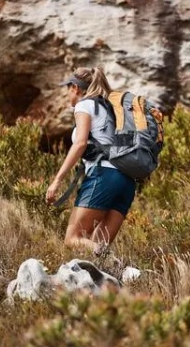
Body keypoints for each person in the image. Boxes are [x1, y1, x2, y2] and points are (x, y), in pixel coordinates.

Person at [45, 67, 136, 256]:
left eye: (68, 89)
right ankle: (123, 274)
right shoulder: (110, 108)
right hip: (127, 181)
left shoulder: (84, 105)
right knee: (96, 246)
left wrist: (57, 180)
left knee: (73, 238)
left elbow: (80, 144)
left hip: (104, 176)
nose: (68, 94)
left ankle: (120, 266)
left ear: (76, 88)